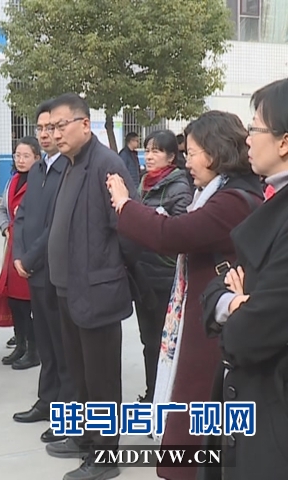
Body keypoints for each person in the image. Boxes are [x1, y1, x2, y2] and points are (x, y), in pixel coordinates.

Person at [106, 110, 263, 480]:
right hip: (201, 317)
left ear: (215, 151)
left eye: (191, 153)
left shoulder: (233, 200)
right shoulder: (218, 192)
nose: (186, 161)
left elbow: (172, 235)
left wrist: (125, 204)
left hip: (211, 325)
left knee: (196, 415)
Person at [43, 93, 139, 480]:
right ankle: (85, 437)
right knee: (79, 373)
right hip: (68, 290)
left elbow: (129, 228)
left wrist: (113, 272)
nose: (54, 134)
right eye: (50, 127)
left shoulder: (106, 164)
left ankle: (105, 456)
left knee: (101, 380)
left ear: (85, 124)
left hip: (97, 291)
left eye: (60, 125)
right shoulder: (70, 164)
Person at [200, 78, 288, 480]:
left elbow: (250, 334)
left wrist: (238, 306)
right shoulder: (270, 202)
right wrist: (235, 301)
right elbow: (220, 286)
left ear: (284, 142)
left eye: (254, 128)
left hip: (272, 415)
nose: (247, 139)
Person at [11, 100, 75, 444]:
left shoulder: (68, 168)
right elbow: (22, 216)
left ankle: (67, 412)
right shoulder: (36, 170)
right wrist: (19, 255)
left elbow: (56, 225)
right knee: (46, 343)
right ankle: (47, 401)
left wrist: (31, 256)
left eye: (52, 128)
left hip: (56, 271)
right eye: (40, 128)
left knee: (64, 347)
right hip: (33, 270)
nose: (46, 134)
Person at [132, 130, 192, 404]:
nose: (149, 156)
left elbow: (179, 233)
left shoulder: (179, 187)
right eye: (147, 150)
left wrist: (150, 220)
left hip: (164, 274)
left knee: (162, 341)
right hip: (143, 272)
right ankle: (151, 393)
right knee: (148, 341)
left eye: (156, 151)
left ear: (171, 156)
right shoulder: (145, 182)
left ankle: (163, 398)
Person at [0, 137, 41, 370]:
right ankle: (20, 345)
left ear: (37, 158)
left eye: (26, 156)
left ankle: (34, 351)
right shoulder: (12, 181)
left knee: (28, 302)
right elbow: (3, 211)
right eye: (17, 155)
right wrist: (5, 227)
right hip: (12, 247)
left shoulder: (41, 182)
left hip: (31, 249)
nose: (20, 160)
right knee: (15, 301)